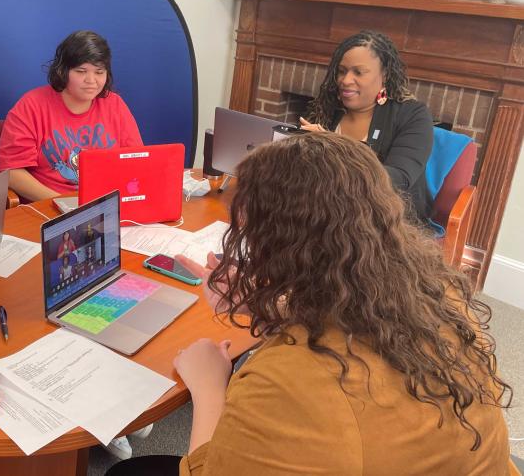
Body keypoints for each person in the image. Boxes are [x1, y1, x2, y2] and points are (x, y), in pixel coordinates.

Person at [109, 132, 515, 475]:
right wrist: (266, 304)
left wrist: (210, 385)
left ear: (282, 247)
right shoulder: (436, 296)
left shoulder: (289, 379)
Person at [299, 30, 434, 222]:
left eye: (359, 72)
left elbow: (399, 178)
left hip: (386, 220)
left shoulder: (413, 115)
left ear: (385, 74)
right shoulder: (327, 108)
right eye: (342, 71)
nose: (345, 81)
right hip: (325, 209)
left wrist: (334, 146)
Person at [0, 30, 143, 201]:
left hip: (107, 205)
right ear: (62, 71)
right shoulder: (31, 106)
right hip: (51, 207)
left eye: (99, 72)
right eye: (81, 71)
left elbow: (136, 161)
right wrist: (63, 204)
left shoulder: (115, 104)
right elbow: (11, 172)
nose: (91, 80)